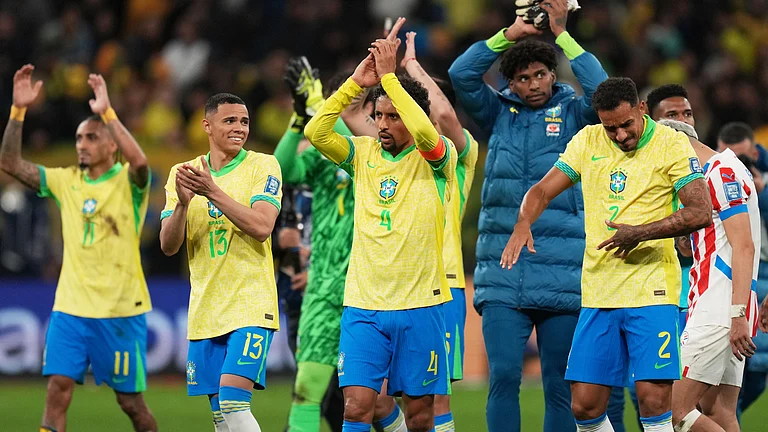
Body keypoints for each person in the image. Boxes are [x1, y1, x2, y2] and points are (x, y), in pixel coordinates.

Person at [501, 77, 713, 432]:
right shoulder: (587, 140)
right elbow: (540, 190)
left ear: (642, 110)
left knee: (653, 401)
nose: (619, 135)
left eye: (626, 125)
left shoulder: (672, 145)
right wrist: (523, 223)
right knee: (584, 407)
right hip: (599, 292)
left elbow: (699, 211)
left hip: (652, 292)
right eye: (610, 127)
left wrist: (640, 233)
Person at [447, 1, 614, 430]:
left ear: (553, 75)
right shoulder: (498, 113)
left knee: (560, 385)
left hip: (563, 271)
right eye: (523, 78)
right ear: (511, 84)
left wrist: (561, 35)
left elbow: (603, 92)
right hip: (504, 272)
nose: (533, 83)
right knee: (503, 377)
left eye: (540, 74)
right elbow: (461, 74)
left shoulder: (578, 115)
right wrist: (513, 32)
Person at [304, 35, 456, 432]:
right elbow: (316, 132)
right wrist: (357, 83)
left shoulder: (437, 158)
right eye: (379, 117)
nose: (383, 125)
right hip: (363, 305)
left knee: (420, 415)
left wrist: (389, 79)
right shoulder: (363, 154)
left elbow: (426, 133)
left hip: (420, 304)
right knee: (355, 409)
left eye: (393, 116)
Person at [0, 65, 156, 432]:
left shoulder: (128, 183)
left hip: (119, 310)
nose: (80, 145)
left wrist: (108, 113)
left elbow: (142, 163)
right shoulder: (64, 180)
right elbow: (9, 163)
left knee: (131, 404)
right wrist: (18, 112)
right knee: (57, 389)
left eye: (90, 138)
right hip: (70, 308)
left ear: (110, 145)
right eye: (78, 139)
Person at [370, 28, 480, 432]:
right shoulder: (394, 153)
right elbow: (356, 117)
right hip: (389, 285)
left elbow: (446, 118)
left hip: (442, 282)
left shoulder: (459, 152)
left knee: (433, 396)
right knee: (376, 397)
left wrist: (409, 69)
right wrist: (375, 68)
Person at [159, 92, 283, 432]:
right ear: (207, 126)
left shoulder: (263, 165)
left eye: (244, 121)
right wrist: (183, 206)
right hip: (206, 310)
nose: (239, 128)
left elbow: (261, 227)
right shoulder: (182, 174)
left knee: (233, 401)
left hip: (251, 304)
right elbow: (168, 246)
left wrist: (212, 191)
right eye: (230, 121)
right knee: (221, 418)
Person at [657, 119, 760, 431]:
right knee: (718, 412)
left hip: (720, 306)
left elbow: (744, 246)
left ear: (677, 147)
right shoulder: (724, 169)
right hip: (729, 303)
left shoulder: (720, 174)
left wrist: (737, 314)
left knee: (675, 412)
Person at [277, 56, 355, 432]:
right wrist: (299, 121)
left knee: (372, 401)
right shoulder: (322, 163)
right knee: (308, 390)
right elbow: (282, 170)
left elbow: (355, 145)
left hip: (368, 290)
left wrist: (318, 104)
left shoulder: (380, 155)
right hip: (323, 288)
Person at [715, 122, 768, 421]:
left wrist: (762, 193)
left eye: (742, 160)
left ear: (754, 152)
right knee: (725, 371)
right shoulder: (713, 173)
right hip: (725, 274)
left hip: (764, 273)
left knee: (758, 372)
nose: (735, 167)